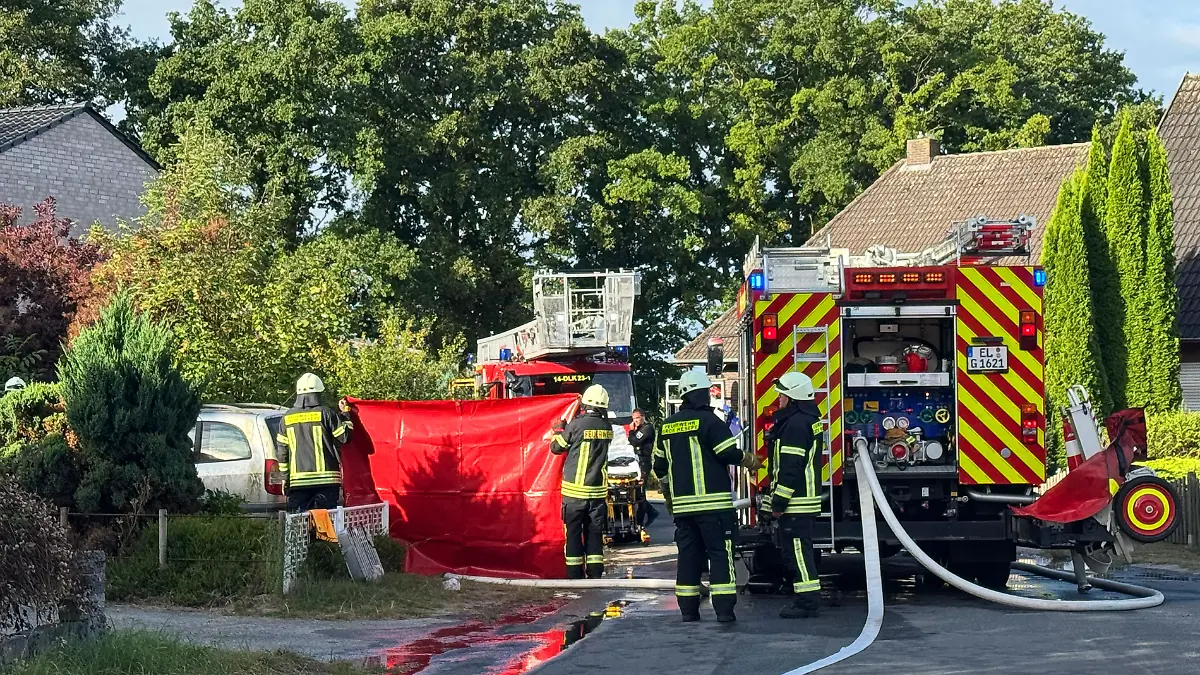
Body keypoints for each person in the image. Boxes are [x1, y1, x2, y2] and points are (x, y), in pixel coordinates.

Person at [655, 370, 761, 623]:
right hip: (714, 506)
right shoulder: (710, 422)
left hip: (683, 509)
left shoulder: (667, 426)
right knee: (720, 554)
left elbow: (660, 467)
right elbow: (727, 452)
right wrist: (749, 460)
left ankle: (688, 610)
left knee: (689, 557)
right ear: (703, 394)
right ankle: (724, 612)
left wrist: (669, 496)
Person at [768, 371, 824, 619]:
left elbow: (790, 468)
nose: (779, 399)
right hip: (803, 500)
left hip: (796, 502)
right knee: (800, 551)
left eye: (782, 395)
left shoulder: (795, 425)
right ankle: (805, 598)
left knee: (799, 554)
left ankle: (807, 602)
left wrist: (778, 502)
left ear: (793, 397)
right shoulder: (806, 420)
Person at [550, 384, 612, 579]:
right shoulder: (607, 427)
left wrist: (559, 429)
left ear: (585, 403)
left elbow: (556, 448)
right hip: (597, 494)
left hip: (574, 494)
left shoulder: (576, 425)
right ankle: (595, 575)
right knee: (594, 535)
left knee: (574, 535)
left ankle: (574, 576)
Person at [274, 373, 354, 512]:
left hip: (298, 483)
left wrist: (285, 478)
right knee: (325, 521)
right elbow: (345, 437)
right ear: (318, 393)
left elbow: (282, 452)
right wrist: (346, 414)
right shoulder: (326, 413)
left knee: (299, 521)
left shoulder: (286, 418)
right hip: (327, 482)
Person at [628, 408, 659, 528]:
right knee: (636, 492)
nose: (635, 421)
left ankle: (641, 521)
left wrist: (631, 431)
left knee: (640, 492)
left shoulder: (647, 428)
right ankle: (650, 512)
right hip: (637, 462)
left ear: (643, 417)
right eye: (633, 419)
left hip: (644, 462)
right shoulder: (639, 429)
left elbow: (635, 441)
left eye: (637, 418)